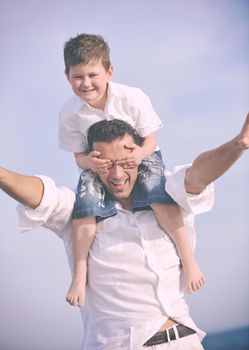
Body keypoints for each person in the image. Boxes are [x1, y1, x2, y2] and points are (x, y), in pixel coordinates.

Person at [1, 116, 248, 349]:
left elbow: (199, 174)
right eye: (107, 165)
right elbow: (41, 194)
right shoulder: (79, 212)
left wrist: (239, 144)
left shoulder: (167, 197)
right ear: (93, 163)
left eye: (124, 163)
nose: (117, 175)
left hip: (186, 341)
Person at [59, 33, 204, 307]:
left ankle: (189, 260)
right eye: (78, 77)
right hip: (98, 165)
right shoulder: (69, 113)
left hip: (140, 156)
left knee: (156, 194)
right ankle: (79, 275)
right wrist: (90, 163)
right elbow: (78, 156)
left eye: (93, 75)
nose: (86, 83)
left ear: (109, 71)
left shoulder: (132, 97)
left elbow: (151, 139)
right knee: (85, 206)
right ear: (67, 76)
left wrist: (138, 155)